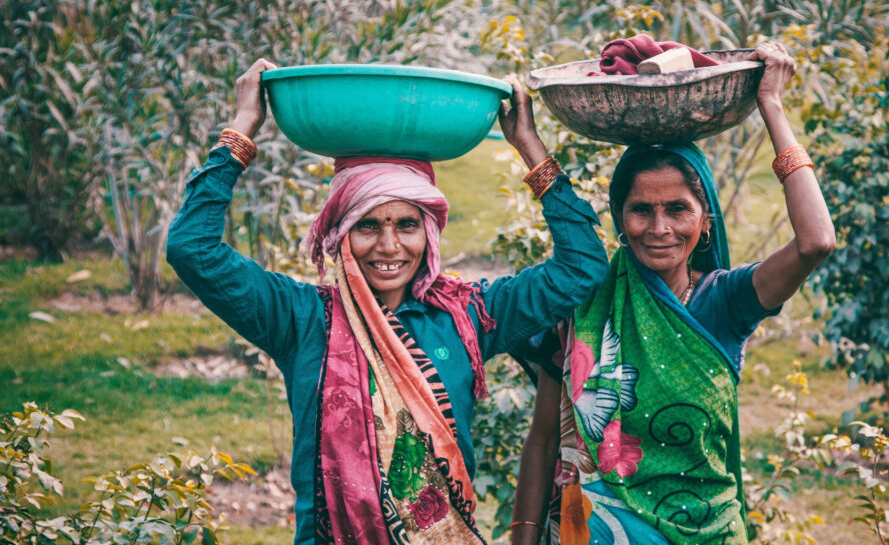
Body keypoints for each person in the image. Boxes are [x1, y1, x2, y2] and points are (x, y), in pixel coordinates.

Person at [166, 58, 609, 545]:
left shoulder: (468, 316)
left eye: (406, 224)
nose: (389, 246)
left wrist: (530, 147)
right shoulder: (302, 319)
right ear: (340, 233)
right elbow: (193, 250)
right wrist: (241, 131)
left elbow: (582, 268)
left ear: (430, 232)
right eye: (368, 225)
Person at [510, 42, 836, 545]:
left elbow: (816, 242)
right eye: (641, 209)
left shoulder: (726, 301)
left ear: (705, 221)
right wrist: (523, 536)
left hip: (707, 530)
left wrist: (772, 104)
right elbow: (544, 437)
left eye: (677, 210)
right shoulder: (588, 298)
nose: (659, 228)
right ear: (620, 218)